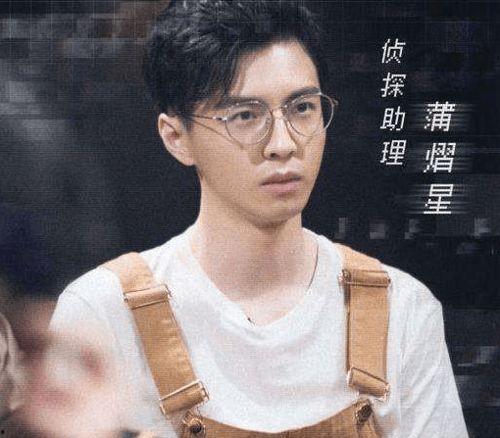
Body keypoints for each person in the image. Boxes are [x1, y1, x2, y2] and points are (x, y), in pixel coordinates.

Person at [50, 1, 469, 437]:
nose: (283, 144)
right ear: (176, 137)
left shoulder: (402, 310)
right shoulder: (103, 314)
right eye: (245, 116)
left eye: (302, 108)